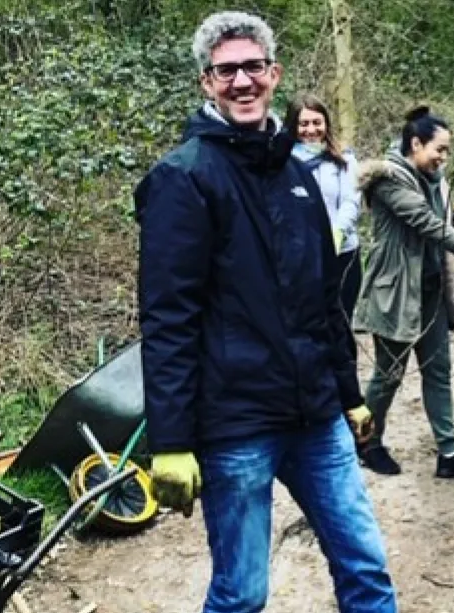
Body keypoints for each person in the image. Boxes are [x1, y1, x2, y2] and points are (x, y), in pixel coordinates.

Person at [134, 11, 397, 612]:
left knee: (366, 568)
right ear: (206, 83)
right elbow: (167, 319)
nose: (242, 81)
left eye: (254, 67)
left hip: (316, 418)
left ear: (274, 74)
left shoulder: (298, 175)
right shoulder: (183, 180)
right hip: (236, 426)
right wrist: (171, 440)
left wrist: (349, 392)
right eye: (226, 72)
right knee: (242, 593)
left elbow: (323, 298)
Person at [352, 106, 454, 478]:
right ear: (415, 143)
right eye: (439, 149)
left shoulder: (436, 178)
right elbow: (428, 223)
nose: (443, 158)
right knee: (389, 374)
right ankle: (367, 444)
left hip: (432, 290)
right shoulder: (389, 181)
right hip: (396, 293)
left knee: (438, 370)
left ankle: (448, 454)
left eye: (448, 151)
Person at [285, 93, 363, 327]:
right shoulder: (282, 161)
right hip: (301, 257)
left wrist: (337, 234)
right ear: (293, 126)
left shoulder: (344, 160)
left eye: (317, 122)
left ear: (326, 124)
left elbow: (351, 200)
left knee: (340, 323)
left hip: (343, 255)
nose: (311, 130)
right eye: (304, 123)